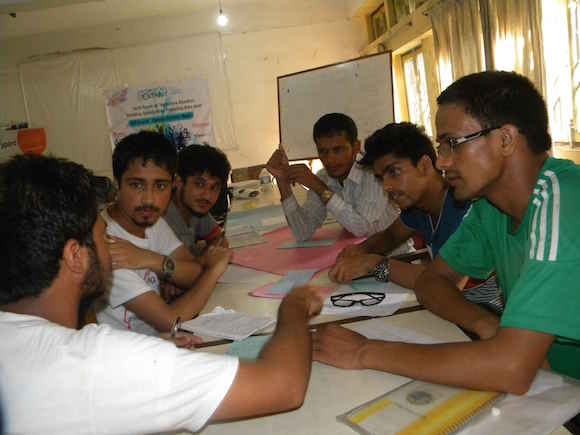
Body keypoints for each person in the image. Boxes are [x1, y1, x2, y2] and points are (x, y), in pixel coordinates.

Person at [0, 154, 324, 434]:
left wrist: (147, 352)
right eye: (101, 236)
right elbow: (283, 385)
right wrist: (293, 306)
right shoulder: (97, 362)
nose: (110, 248)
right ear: (76, 256)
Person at [313, 71, 580, 393]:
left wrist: (364, 351)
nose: (441, 162)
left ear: (505, 140)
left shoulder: (563, 202)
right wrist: (485, 324)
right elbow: (432, 280)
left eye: (452, 144)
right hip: (547, 381)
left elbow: (512, 368)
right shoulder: (490, 206)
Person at [329, 122, 502, 312]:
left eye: (393, 172)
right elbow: (391, 236)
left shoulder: (462, 206)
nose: (386, 186)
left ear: (425, 165)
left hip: (484, 307)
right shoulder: (419, 206)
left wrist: (373, 265)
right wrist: (360, 250)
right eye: (380, 178)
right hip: (448, 304)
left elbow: (443, 283)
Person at [97, 131, 232, 335]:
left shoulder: (152, 221)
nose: (149, 199)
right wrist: (213, 270)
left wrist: (151, 260)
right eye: (136, 185)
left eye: (160, 186)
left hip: (159, 343)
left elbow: (194, 272)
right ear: (117, 184)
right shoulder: (105, 242)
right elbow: (170, 322)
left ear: (173, 184)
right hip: (130, 357)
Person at [267, 113, 412, 255]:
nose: (330, 160)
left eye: (338, 150)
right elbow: (302, 232)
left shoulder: (373, 173)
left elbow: (361, 228)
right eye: (323, 152)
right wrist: (283, 183)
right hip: (361, 260)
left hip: (397, 259)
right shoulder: (323, 177)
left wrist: (319, 187)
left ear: (356, 147)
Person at [164, 144, 231, 254]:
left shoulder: (196, 209)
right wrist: (206, 257)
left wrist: (209, 251)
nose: (207, 196)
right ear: (178, 181)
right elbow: (178, 268)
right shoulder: (161, 221)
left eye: (214, 188)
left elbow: (219, 238)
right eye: (199, 184)